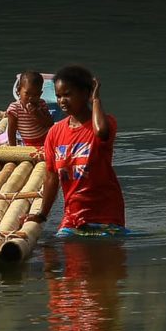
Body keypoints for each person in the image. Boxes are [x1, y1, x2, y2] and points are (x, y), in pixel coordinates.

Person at [21, 65, 125, 234]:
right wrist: (42, 215)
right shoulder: (55, 133)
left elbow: (102, 133)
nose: (62, 100)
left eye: (68, 95)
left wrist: (96, 100)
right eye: (59, 96)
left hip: (106, 215)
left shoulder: (104, 123)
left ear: (86, 94)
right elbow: (51, 178)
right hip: (72, 216)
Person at [5, 70, 54, 147]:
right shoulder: (14, 109)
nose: (31, 98)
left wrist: (37, 114)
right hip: (29, 143)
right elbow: (11, 131)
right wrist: (13, 148)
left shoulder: (41, 103)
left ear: (40, 94)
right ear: (18, 90)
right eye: (27, 94)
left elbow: (50, 123)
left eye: (35, 95)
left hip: (47, 139)